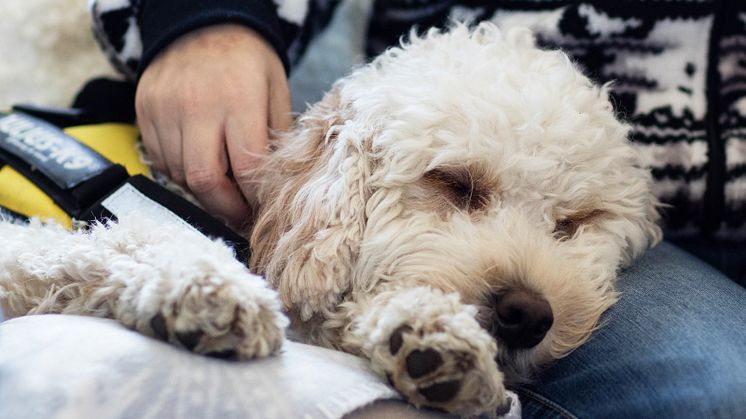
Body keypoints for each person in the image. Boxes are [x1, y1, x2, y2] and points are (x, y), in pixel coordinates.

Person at [89, 1, 746, 417]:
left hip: (648, 229)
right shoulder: (397, 122)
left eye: (564, 225)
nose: (523, 291)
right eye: (460, 187)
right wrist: (209, 17)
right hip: (679, 253)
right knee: (716, 386)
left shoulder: (609, 214)